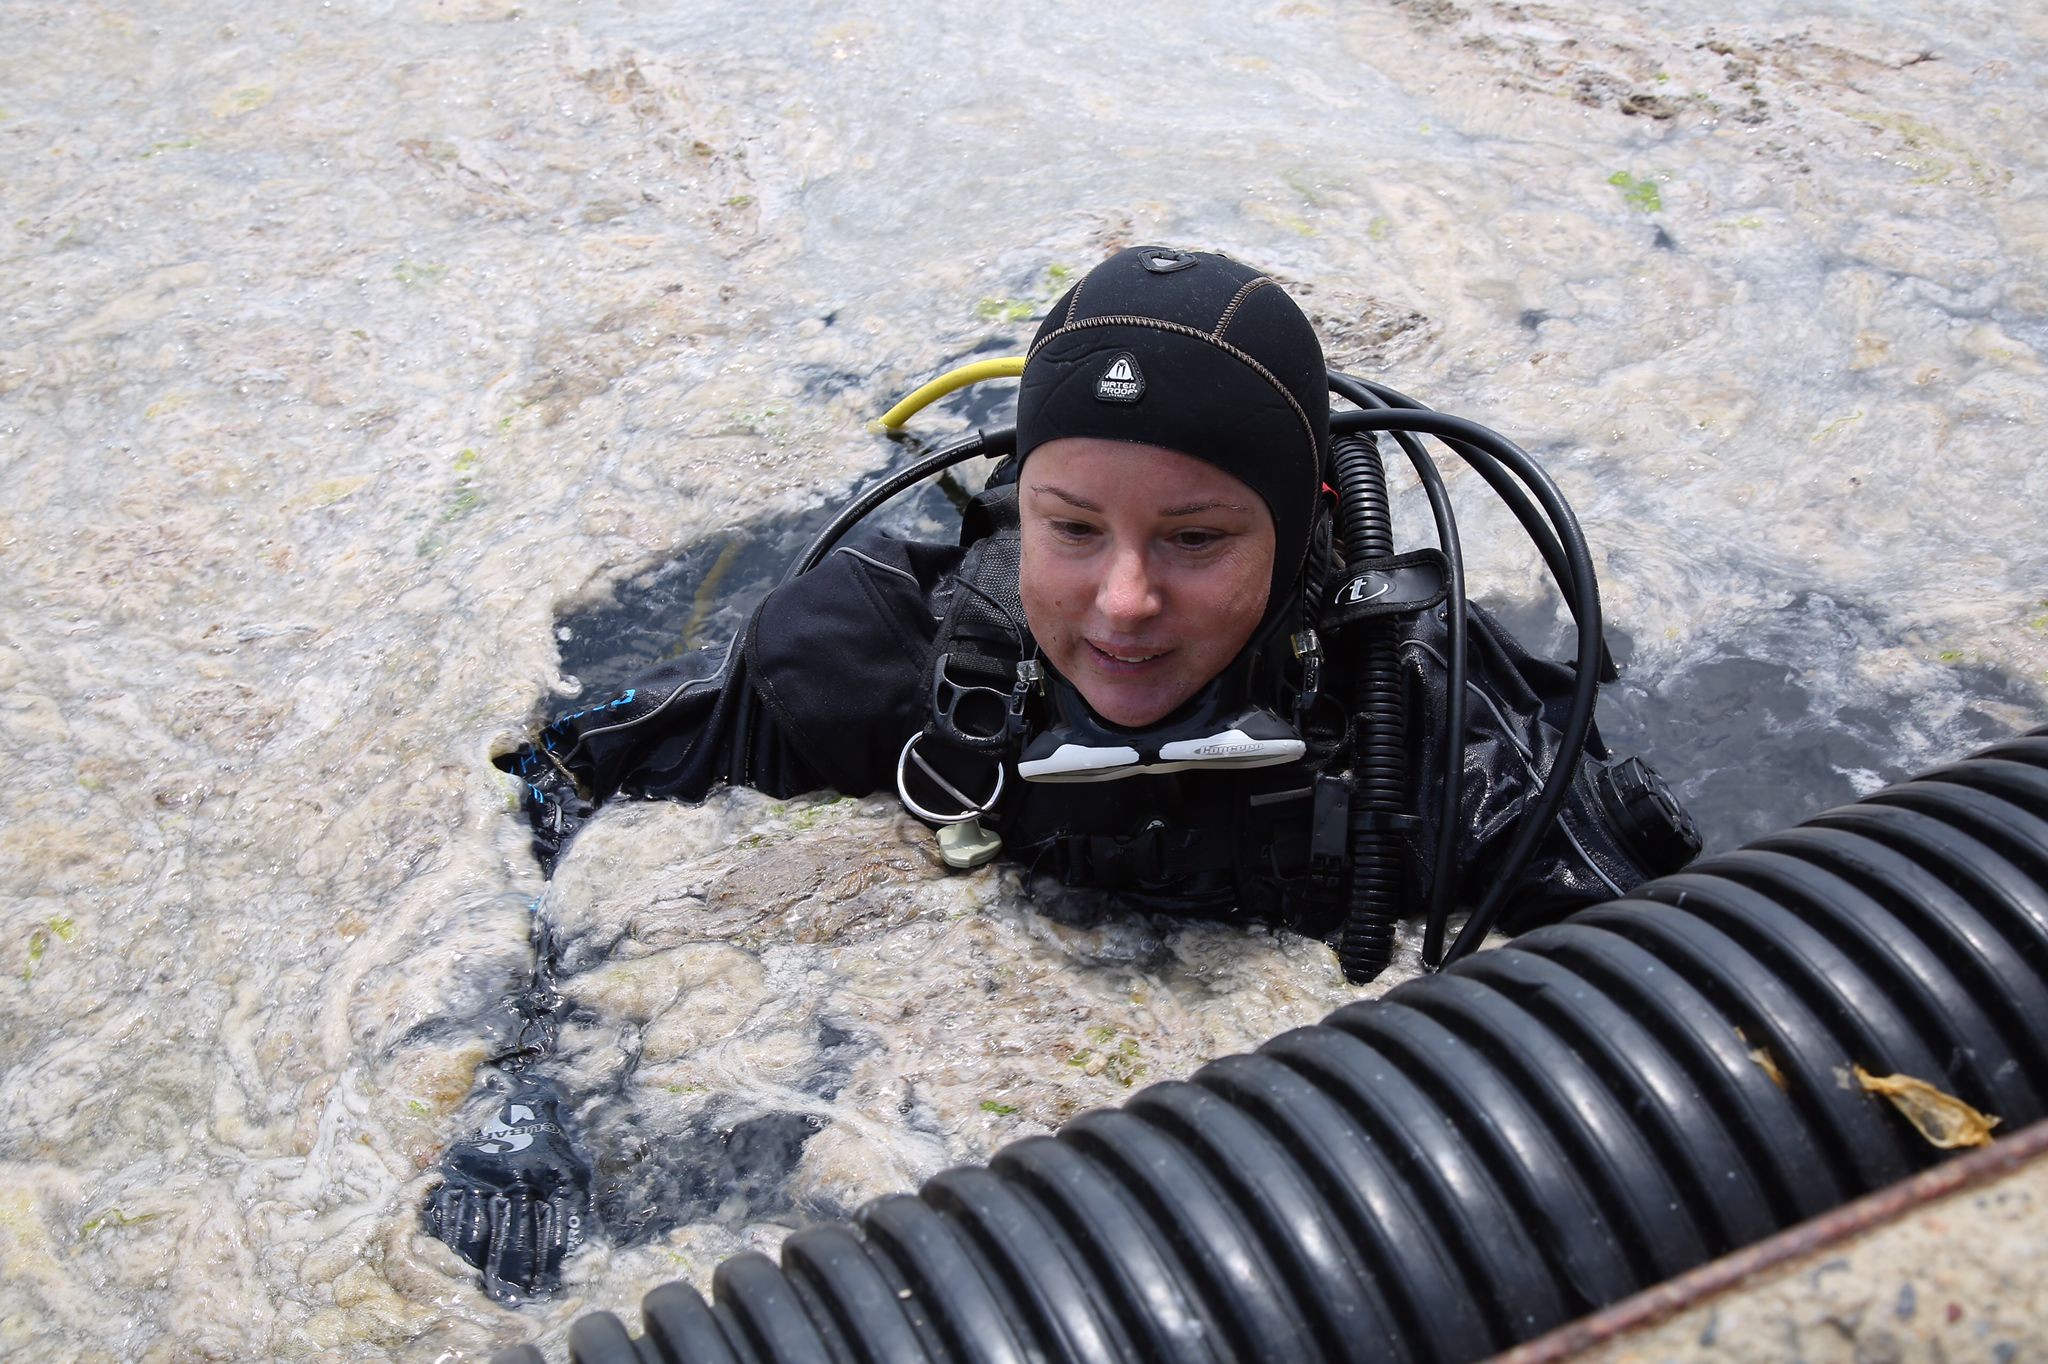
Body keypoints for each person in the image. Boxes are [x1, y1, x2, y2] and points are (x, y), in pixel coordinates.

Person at [498, 246, 1700, 980]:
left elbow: (1690, 981)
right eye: (1073, 530)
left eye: (1193, 538)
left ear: (1300, 534)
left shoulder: (1442, 740)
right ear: (1024, 505)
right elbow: (553, 783)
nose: (1123, 602)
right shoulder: (869, 661)